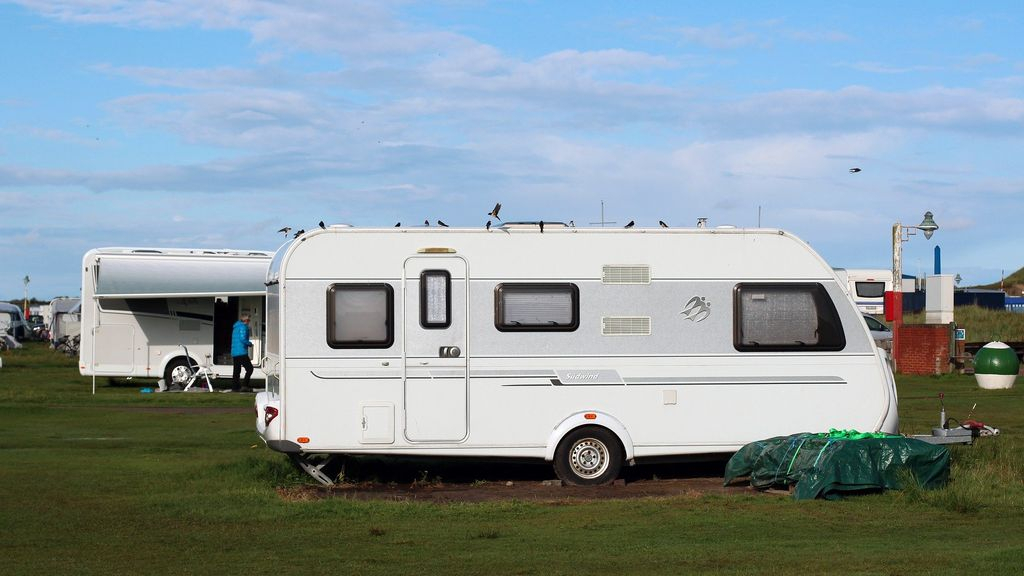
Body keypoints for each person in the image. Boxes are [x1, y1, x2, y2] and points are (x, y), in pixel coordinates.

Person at [231, 312, 254, 392]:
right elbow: (242, 339)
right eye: (249, 320)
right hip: (241, 352)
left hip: (235, 352)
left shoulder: (236, 326)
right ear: (246, 320)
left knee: (236, 370)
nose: (249, 321)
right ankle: (245, 385)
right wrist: (249, 344)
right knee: (250, 369)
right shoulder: (243, 327)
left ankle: (235, 387)